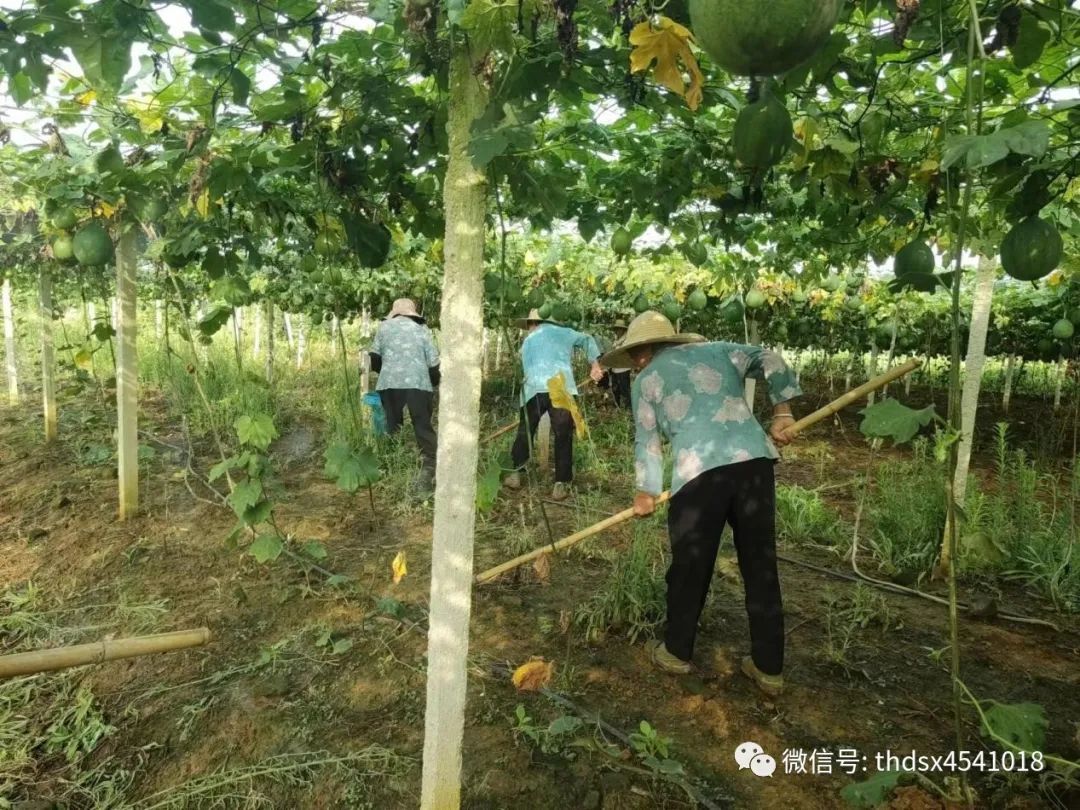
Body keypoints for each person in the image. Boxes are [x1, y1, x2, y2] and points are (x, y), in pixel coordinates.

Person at [599, 310, 801, 696]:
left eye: (636, 354)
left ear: (643, 351)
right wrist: (782, 411)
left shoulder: (646, 380)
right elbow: (770, 358)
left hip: (698, 474)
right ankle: (768, 668)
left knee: (690, 566)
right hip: (753, 465)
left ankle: (676, 651)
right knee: (760, 565)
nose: (637, 361)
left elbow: (648, 441)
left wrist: (646, 491)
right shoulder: (719, 351)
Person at [504, 308, 604, 501]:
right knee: (563, 434)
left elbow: (526, 370)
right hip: (561, 386)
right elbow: (587, 340)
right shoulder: (564, 333)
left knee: (526, 430)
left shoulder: (528, 341)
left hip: (534, 388)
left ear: (533, 323)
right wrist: (595, 364)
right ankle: (561, 483)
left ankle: (515, 473)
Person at [368, 298, 440, 498]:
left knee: (392, 423)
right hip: (418, 383)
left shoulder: (383, 328)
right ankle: (428, 467)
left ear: (395, 313)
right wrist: (433, 383)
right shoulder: (422, 330)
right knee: (422, 425)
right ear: (412, 314)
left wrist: (389, 371)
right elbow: (434, 362)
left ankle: (391, 462)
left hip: (389, 383)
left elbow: (374, 359)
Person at [599, 320, 632, 410]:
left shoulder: (626, 341)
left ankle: (628, 409)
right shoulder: (616, 341)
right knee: (615, 389)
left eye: (619, 329)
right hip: (615, 369)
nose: (617, 331)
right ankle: (618, 406)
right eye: (616, 330)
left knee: (625, 390)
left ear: (622, 330)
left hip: (623, 369)